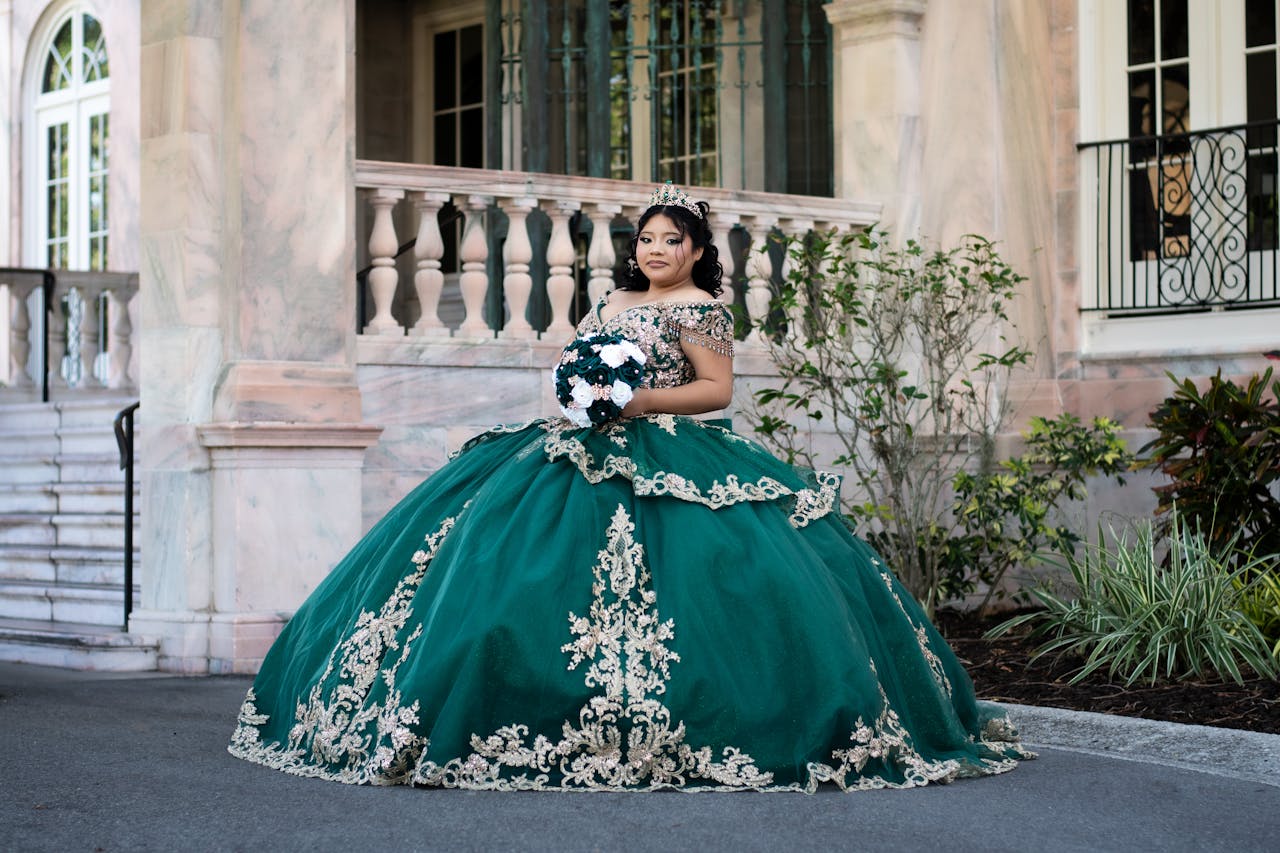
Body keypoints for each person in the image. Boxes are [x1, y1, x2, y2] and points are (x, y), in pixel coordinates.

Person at [228, 184, 1032, 791]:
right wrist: (583, 394)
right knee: (495, 568)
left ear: (694, 250)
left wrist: (637, 399)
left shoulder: (701, 309)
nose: (654, 250)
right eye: (645, 239)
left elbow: (716, 391)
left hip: (673, 446)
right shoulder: (613, 300)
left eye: (670, 240)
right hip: (584, 443)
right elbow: (578, 366)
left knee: (705, 591)